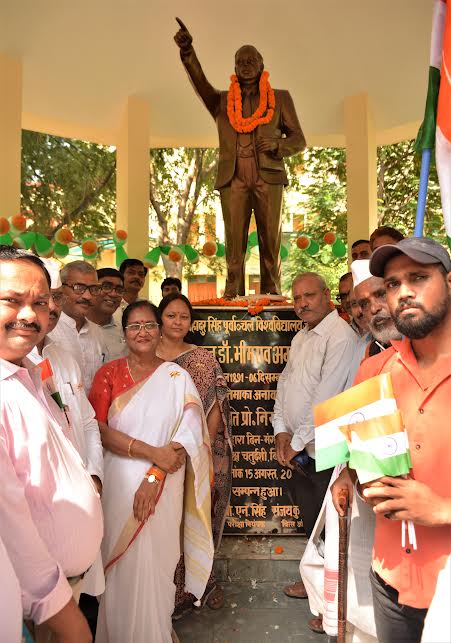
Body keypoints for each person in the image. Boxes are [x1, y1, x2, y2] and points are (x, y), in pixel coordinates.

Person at [333, 237, 451, 643]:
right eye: (393, 284)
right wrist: (361, 480)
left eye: (418, 277)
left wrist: (443, 509)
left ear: (448, 282)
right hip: (390, 579)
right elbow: (356, 464)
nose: (403, 292)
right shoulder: (373, 371)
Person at [89, 300, 214, 643]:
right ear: (124, 333)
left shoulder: (177, 377)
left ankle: (156, 630)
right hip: (118, 483)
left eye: (149, 325)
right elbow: (97, 429)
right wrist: (151, 452)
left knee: (159, 562)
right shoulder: (108, 374)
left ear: (159, 331)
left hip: (164, 483)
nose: (142, 332)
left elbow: (190, 433)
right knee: (121, 566)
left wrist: (155, 473)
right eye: (134, 326)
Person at [0, 246, 103, 643]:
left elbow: (81, 427)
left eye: (40, 303)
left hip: (59, 588)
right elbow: (9, 523)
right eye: (12, 300)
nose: (30, 315)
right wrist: (65, 619)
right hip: (33, 603)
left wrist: (90, 477)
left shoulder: (30, 373)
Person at [174, 19, 306, 298]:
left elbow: (299, 140)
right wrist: (188, 52)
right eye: (240, 62)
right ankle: (233, 291)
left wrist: (278, 145)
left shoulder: (280, 98)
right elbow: (200, 83)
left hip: (268, 175)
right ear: (234, 68)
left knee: (270, 238)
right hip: (233, 177)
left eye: (251, 60)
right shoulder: (221, 102)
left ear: (261, 64)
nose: (245, 65)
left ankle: (271, 290)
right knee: (234, 240)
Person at [272, 272, 357, 616]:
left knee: (332, 528)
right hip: (299, 451)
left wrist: (295, 442)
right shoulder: (301, 337)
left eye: (309, 296)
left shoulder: (341, 337)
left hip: (327, 451)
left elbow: (327, 397)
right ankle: (317, 589)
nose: (302, 304)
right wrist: (281, 431)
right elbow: (285, 384)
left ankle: (332, 608)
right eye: (296, 298)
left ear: (326, 295)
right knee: (313, 523)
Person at [27, 258, 105, 600]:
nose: (53, 308)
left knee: (76, 593)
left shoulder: (62, 357)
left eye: (56, 298)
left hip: (82, 492)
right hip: (40, 505)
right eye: (45, 300)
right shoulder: (15, 365)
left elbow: (87, 422)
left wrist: (95, 475)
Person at [157, 293, 232, 617]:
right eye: (171, 315)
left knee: (196, 519)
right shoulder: (145, 355)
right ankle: (163, 593)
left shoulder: (202, 359)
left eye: (184, 317)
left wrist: (202, 453)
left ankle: (200, 584)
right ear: (160, 319)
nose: (177, 322)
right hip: (155, 455)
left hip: (195, 458)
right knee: (163, 525)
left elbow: (214, 409)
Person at [48, 260, 106, 392]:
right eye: (78, 288)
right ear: (62, 289)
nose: (88, 296)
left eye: (93, 289)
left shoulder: (97, 332)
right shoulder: (49, 330)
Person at [351, 259, 402, 357]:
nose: (374, 308)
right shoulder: (372, 352)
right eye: (365, 304)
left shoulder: (427, 342)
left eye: (382, 295)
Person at [87, 268, 127, 361]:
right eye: (106, 287)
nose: (113, 294)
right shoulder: (77, 328)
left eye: (119, 290)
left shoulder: (124, 332)